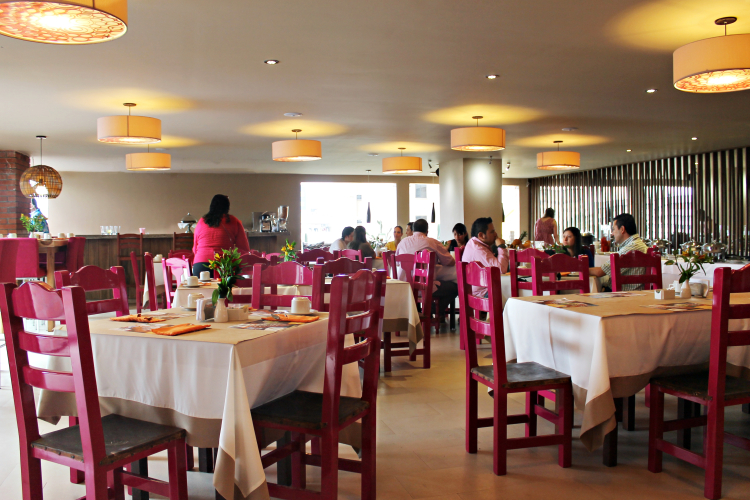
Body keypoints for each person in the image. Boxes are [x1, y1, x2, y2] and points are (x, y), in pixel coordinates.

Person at [396, 218, 457, 314]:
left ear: (413, 230)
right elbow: (450, 262)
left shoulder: (402, 242)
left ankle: (421, 311)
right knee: (455, 287)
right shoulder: (433, 242)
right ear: (427, 232)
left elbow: (398, 263)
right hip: (424, 288)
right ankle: (432, 311)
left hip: (403, 287)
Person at [192, 194, 250, 276]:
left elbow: (195, 248)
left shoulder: (201, 221)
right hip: (223, 265)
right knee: (227, 284)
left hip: (200, 265)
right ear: (227, 207)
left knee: (202, 285)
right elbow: (243, 248)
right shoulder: (233, 221)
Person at [590, 213, 649, 291]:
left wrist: (580, 270)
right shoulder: (640, 244)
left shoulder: (630, 248)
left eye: (614, 229)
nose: (612, 234)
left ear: (622, 229)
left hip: (623, 294)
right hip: (638, 293)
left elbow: (600, 272)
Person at [461, 217, 509, 297]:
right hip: (481, 295)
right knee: (515, 290)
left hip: (479, 291)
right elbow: (501, 270)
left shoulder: (474, 243)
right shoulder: (478, 249)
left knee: (511, 286)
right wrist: (501, 246)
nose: (495, 234)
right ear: (481, 235)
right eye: (492, 232)